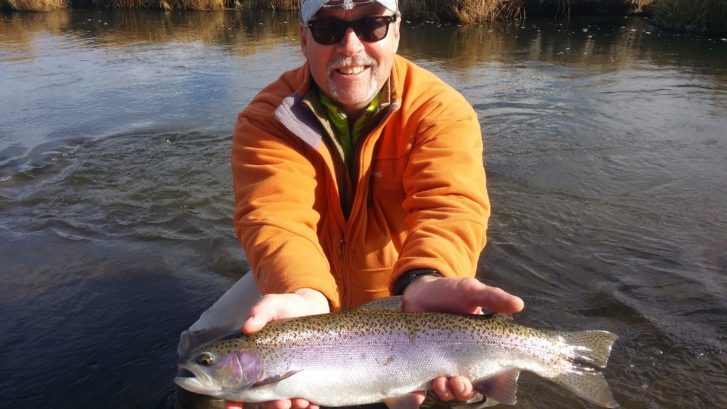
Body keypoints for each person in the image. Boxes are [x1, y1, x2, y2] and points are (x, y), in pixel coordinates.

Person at [178, 1, 524, 408]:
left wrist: (429, 277)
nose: (350, 45)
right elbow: (275, 218)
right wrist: (304, 294)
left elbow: (449, 207)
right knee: (198, 362)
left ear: (396, 31)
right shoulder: (268, 117)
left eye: (370, 24)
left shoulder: (440, 111)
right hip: (299, 290)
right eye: (328, 28)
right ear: (304, 38)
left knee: (475, 396)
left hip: (405, 289)